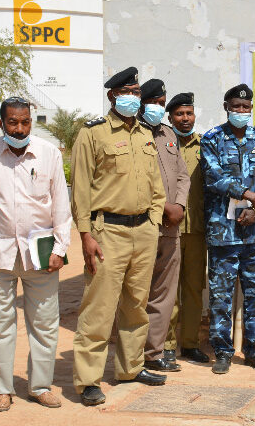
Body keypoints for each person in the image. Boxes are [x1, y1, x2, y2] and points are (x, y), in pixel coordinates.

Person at [70, 66, 167, 406]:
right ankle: (88, 380)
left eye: (136, 92)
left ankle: (130, 367)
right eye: (127, 92)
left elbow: (156, 184)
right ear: (112, 95)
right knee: (99, 308)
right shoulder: (93, 133)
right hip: (107, 231)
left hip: (143, 231)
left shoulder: (144, 133)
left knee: (136, 306)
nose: (133, 98)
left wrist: (154, 221)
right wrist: (85, 234)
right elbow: (80, 187)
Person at [0, 97, 72, 412]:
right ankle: (1, 390)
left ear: (31, 122)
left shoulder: (49, 153)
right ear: (1, 124)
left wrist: (60, 248)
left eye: (25, 122)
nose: (19, 129)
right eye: (13, 122)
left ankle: (40, 386)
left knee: (44, 323)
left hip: (41, 255)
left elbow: (61, 204)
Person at [201, 83, 255, 374]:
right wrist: (250, 195)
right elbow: (214, 178)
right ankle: (222, 352)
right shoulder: (212, 139)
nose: (241, 111)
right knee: (221, 296)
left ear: (251, 108)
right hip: (224, 232)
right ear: (226, 107)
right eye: (236, 106)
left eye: (246, 107)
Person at [137, 79, 191, 372]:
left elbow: (183, 175)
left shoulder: (168, 134)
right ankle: (132, 355)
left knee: (164, 294)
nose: (158, 108)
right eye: (154, 103)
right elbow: (135, 181)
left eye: (162, 103)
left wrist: (179, 205)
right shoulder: (134, 133)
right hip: (143, 225)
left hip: (170, 227)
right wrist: (164, 207)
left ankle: (154, 354)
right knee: (137, 294)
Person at [164, 92, 211, 364]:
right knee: (168, 291)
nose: (185, 118)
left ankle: (191, 344)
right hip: (167, 229)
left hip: (197, 229)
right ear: (170, 117)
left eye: (189, 113)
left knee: (193, 289)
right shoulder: (162, 144)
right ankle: (167, 345)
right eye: (179, 114)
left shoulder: (205, 146)